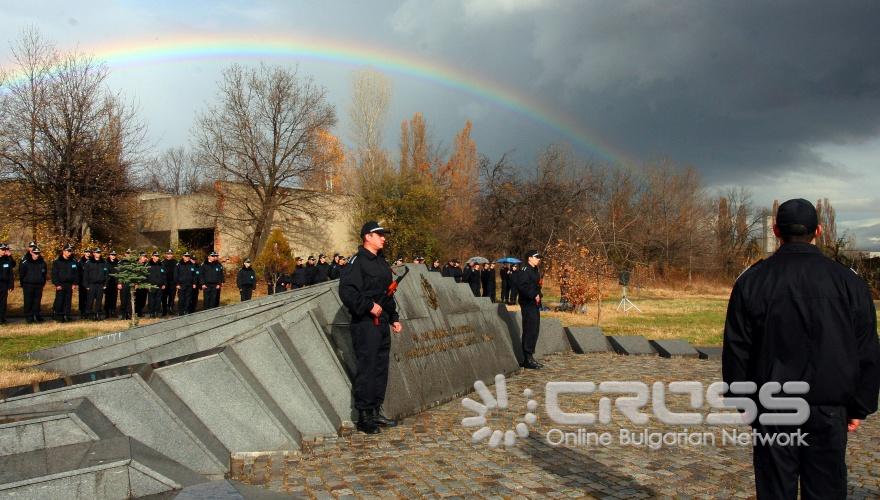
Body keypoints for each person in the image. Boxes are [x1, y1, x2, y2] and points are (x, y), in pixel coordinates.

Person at [723, 198, 880, 500]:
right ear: (819, 231)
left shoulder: (752, 281)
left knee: (775, 490)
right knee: (825, 491)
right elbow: (867, 349)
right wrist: (859, 405)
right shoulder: (849, 282)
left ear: (775, 230)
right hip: (828, 409)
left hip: (773, 407)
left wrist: (742, 401)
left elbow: (737, 348)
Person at [339, 221, 403, 434]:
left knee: (380, 367)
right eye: (379, 234)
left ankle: (376, 410)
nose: (383, 238)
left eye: (384, 235)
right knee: (367, 369)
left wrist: (393, 316)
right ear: (368, 237)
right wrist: (368, 306)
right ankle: (365, 416)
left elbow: (388, 293)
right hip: (365, 323)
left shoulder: (381, 262)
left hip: (382, 322)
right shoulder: (357, 262)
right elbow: (347, 292)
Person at [512, 251, 543, 369]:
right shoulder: (525, 270)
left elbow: (536, 285)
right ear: (529, 258)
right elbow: (522, 286)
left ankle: (530, 356)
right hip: (528, 303)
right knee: (530, 329)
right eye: (536, 257)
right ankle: (527, 358)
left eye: (539, 258)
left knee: (534, 329)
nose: (538, 259)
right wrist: (533, 294)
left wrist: (539, 294)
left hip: (534, 303)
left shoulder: (534, 270)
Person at [20, 246, 47, 323]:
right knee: (28, 301)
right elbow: (22, 274)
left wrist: (42, 282)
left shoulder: (42, 262)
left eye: (38, 253)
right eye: (35, 253)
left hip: (39, 285)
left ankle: (37, 315)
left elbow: (44, 274)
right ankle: (29, 316)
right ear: (31, 253)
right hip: (28, 285)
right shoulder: (25, 262)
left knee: (37, 301)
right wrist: (23, 283)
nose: (37, 255)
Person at [51, 245, 78, 322]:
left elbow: (76, 274)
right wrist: (57, 284)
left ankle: (67, 315)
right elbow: (54, 274)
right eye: (68, 251)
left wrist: (74, 283)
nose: (69, 253)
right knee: (60, 300)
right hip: (60, 284)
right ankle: (59, 316)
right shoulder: (57, 262)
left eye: (70, 251)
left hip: (69, 284)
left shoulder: (73, 262)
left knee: (68, 301)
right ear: (64, 251)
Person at [83, 248, 109, 320]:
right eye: (97, 252)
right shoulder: (89, 263)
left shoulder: (104, 263)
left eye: (99, 252)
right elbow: (85, 275)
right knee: (90, 301)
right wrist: (86, 285)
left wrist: (105, 285)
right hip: (91, 285)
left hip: (100, 285)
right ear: (93, 253)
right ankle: (89, 315)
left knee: (99, 301)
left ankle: (98, 314)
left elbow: (106, 275)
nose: (98, 254)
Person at [145, 252, 165, 318]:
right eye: (155, 256)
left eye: (158, 256)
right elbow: (145, 276)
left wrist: (164, 283)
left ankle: (157, 312)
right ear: (152, 256)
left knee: (158, 300)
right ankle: (151, 312)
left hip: (159, 285)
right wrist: (147, 284)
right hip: (151, 285)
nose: (157, 257)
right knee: (151, 300)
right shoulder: (148, 264)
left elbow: (164, 275)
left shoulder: (161, 264)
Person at [0, 244, 16, 324]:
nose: (4, 251)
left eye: (5, 249)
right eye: (2, 249)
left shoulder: (7, 259)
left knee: (3, 302)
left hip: (4, 284)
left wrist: (11, 285)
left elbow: (12, 268)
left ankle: (2, 318)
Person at [104, 251, 120, 319]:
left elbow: (119, 274)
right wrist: (104, 283)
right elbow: (104, 274)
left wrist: (119, 282)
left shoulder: (118, 263)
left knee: (114, 298)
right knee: (107, 298)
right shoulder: (106, 263)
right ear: (109, 255)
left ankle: (113, 311)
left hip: (115, 283)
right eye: (112, 255)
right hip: (108, 283)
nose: (113, 256)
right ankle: (107, 312)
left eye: (114, 255)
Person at [161, 250, 178, 316]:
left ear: (172, 255)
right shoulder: (162, 262)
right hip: (165, 283)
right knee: (164, 297)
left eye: (171, 254)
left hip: (173, 282)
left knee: (172, 296)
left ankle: (170, 309)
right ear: (166, 254)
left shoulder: (176, 262)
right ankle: (164, 310)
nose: (169, 255)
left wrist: (177, 282)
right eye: (168, 254)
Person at [119, 249, 134, 320]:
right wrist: (119, 283)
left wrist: (136, 282)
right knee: (123, 300)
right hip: (123, 283)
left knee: (130, 300)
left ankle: (129, 314)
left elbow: (136, 273)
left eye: (130, 253)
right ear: (125, 254)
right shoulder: (121, 263)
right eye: (127, 253)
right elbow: (118, 274)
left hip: (131, 284)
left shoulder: (133, 263)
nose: (128, 255)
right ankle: (123, 314)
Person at [77, 248, 91, 317]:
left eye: (89, 252)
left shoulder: (92, 260)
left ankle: (88, 311)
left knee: (89, 297)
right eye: (86, 252)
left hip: (90, 282)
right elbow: (78, 272)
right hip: (82, 282)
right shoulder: (80, 261)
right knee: (82, 297)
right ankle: (82, 311)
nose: (88, 253)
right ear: (84, 253)